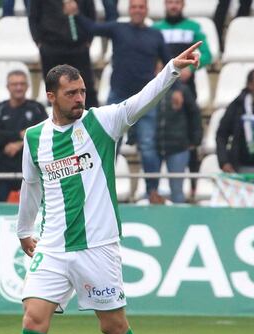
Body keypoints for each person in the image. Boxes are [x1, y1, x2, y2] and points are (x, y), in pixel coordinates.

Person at [0, 41, 202, 334]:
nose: (80, 98)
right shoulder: (35, 138)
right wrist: (23, 230)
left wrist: (171, 70)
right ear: (51, 96)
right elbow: (31, 187)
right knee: (33, 319)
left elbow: (139, 101)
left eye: (82, 91)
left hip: (97, 247)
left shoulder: (102, 122)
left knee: (113, 326)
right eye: (71, 93)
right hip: (52, 245)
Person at [68, 0, 181, 198]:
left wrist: (178, 88)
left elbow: (168, 63)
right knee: (110, 143)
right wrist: (76, 14)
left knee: (147, 145)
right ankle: (102, 190)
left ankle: (152, 192)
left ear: (146, 10)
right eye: (134, 7)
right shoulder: (118, 28)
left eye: (141, 7)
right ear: (129, 10)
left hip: (146, 98)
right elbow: (93, 28)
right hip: (118, 97)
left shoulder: (156, 35)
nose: (137, 10)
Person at [153, 0, 212, 201]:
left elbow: (207, 54)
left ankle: (193, 187)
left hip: (187, 88)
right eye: (170, 2)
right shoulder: (156, 28)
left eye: (177, 2)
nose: (173, 6)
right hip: (161, 86)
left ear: (183, 5)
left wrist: (191, 67)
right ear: (165, 5)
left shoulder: (193, 28)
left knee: (189, 135)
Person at [0, 70, 48, 202]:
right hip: (4, 170)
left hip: (32, 170)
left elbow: (45, 133)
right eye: (14, 84)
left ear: (27, 86)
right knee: (3, 209)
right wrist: (19, 134)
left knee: (34, 209)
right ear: (8, 87)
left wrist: (20, 144)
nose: (18, 87)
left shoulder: (37, 108)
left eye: (22, 84)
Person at [28, 0, 98, 109]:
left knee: (85, 87)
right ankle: (56, 123)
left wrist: (89, 39)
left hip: (79, 47)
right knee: (54, 88)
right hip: (51, 47)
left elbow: (91, 14)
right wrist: (38, 41)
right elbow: (33, 16)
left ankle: (90, 123)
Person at [156, 83, 203, 203]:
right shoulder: (149, 89)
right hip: (154, 146)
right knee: (151, 191)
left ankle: (177, 219)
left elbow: (194, 113)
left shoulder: (182, 90)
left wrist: (195, 139)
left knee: (177, 189)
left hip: (179, 146)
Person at [216, 66, 254, 174]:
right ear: (250, 85)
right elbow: (221, 135)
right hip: (241, 168)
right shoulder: (237, 106)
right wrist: (224, 161)